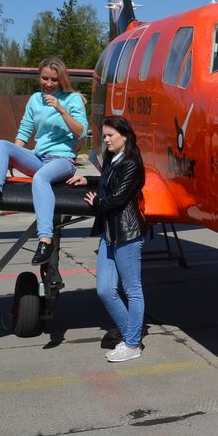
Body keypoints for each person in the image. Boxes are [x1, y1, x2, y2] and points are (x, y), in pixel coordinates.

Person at [0, 56, 89, 264]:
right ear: (39, 77)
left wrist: (61, 109)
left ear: (62, 80)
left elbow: (81, 133)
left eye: (54, 80)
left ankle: (45, 240)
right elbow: (25, 131)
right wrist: (14, 156)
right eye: (44, 78)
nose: (48, 84)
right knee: (1, 145)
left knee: (40, 178)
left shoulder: (72, 99)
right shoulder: (35, 99)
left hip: (62, 160)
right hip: (38, 156)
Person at [68, 116, 148, 363]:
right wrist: (89, 180)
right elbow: (108, 183)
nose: (105, 139)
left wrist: (97, 203)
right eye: (103, 135)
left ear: (125, 136)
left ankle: (132, 344)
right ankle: (130, 336)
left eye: (110, 135)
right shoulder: (114, 159)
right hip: (110, 232)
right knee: (104, 289)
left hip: (127, 233)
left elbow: (117, 198)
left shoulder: (133, 163)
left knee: (132, 290)